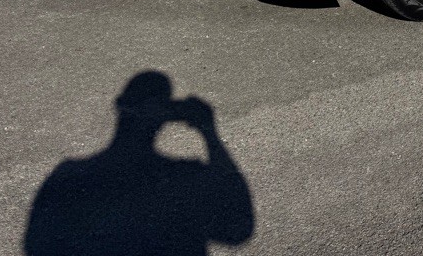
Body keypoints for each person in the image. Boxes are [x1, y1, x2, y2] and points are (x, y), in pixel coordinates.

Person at [24, 71, 253, 256]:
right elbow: (238, 228)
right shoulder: (183, 178)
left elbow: (35, 245)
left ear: (121, 106)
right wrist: (209, 132)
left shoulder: (70, 176)